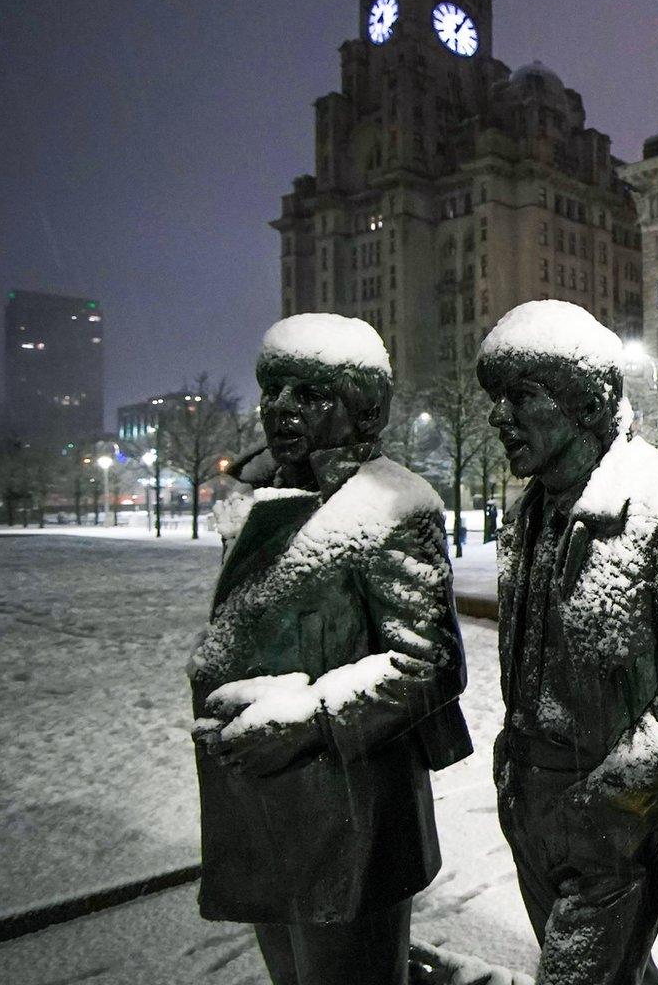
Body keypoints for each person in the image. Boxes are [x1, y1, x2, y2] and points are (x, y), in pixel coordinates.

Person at [188, 312, 473, 985]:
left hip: (352, 817)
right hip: (263, 804)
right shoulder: (262, 499)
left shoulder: (395, 506)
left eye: (310, 393)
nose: (282, 407)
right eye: (274, 389)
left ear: (362, 409)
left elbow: (429, 662)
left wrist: (309, 719)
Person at [479, 299, 658, 985]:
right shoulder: (529, 515)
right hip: (532, 810)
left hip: (616, 822)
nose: (498, 418)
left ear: (590, 404)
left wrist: (611, 803)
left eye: (521, 398)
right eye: (496, 398)